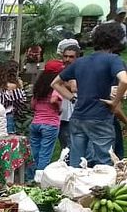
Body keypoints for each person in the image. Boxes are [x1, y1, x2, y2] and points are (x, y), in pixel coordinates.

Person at [52, 22, 127, 167]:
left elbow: (55, 83)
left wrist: (73, 98)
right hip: (100, 117)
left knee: (76, 162)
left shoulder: (80, 62)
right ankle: (101, 189)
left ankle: (73, 188)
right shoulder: (113, 60)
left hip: (78, 117)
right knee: (104, 162)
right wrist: (115, 102)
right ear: (117, 40)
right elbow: (124, 80)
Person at [28, 60, 65, 180]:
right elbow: (54, 99)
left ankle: (30, 177)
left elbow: (32, 105)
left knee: (35, 152)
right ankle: (40, 179)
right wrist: (59, 108)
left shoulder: (39, 87)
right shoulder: (56, 86)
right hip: (50, 124)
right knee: (45, 153)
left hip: (35, 123)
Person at [56, 41, 80, 152]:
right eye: (65, 56)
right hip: (61, 116)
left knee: (74, 147)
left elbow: (74, 87)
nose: (67, 59)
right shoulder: (60, 71)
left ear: (77, 58)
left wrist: (63, 83)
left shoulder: (80, 71)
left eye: (71, 57)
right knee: (64, 148)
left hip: (76, 115)